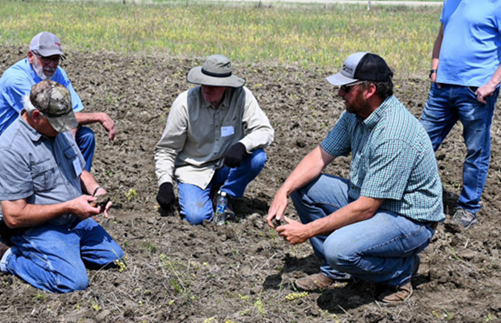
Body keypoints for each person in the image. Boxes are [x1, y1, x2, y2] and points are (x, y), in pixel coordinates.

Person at [266, 52, 444, 304]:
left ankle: (400, 271)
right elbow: (319, 156)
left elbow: (366, 208)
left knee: (337, 249)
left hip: (408, 219)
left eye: (346, 88)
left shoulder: (393, 134)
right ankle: (337, 268)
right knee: (302, 186)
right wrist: (282, 192)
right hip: (369, 201)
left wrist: (307, 230)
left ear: (370, 89)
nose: (339, 93)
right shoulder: (355, 114)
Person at [0, 80, 124, 294]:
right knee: (73, 282)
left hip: (73, 220)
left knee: (113, 257)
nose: (64, 128)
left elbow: (81, 172)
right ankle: (9, 258)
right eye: (57, 123)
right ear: (36, 116)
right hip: (39, 227)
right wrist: (70, 206)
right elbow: (14, 216)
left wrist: (97, 191)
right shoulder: (11, 149)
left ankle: (63, 251)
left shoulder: (57, 129)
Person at [0, 31, 116, 202]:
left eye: (56, 59)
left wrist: (70, 147)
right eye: (46, 58)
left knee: (86, 137)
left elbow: (68, 111)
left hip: (46, 131)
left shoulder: (58, 73)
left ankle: (77, 188)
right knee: (20, 200)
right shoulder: (16, 79)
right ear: (31, 56)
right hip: (15, 142)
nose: (51, 64)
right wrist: (98, 116)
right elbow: (47, 115)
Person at [154, 54, 274, 225]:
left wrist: (242, 145)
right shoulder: (184, 104)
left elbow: (265, 130)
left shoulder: (242, 97)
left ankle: (225, 194)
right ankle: (208, 193)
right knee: (196, 218)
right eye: (204, 83)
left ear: (226, 86)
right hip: (194, 170)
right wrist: (165, 183)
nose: (207, 88)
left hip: (226, 165)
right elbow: (167, 149)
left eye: (214, 85)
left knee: (257, 157)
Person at [420, 0, 501, 229]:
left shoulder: (495, 4)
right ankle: (409, 195)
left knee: (476, 150)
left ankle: (468, 208)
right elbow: (441, 37)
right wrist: (435, 70)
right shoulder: (451, 3)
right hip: (442, 88)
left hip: (476, 92)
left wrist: (492, 83)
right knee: (419, 143)